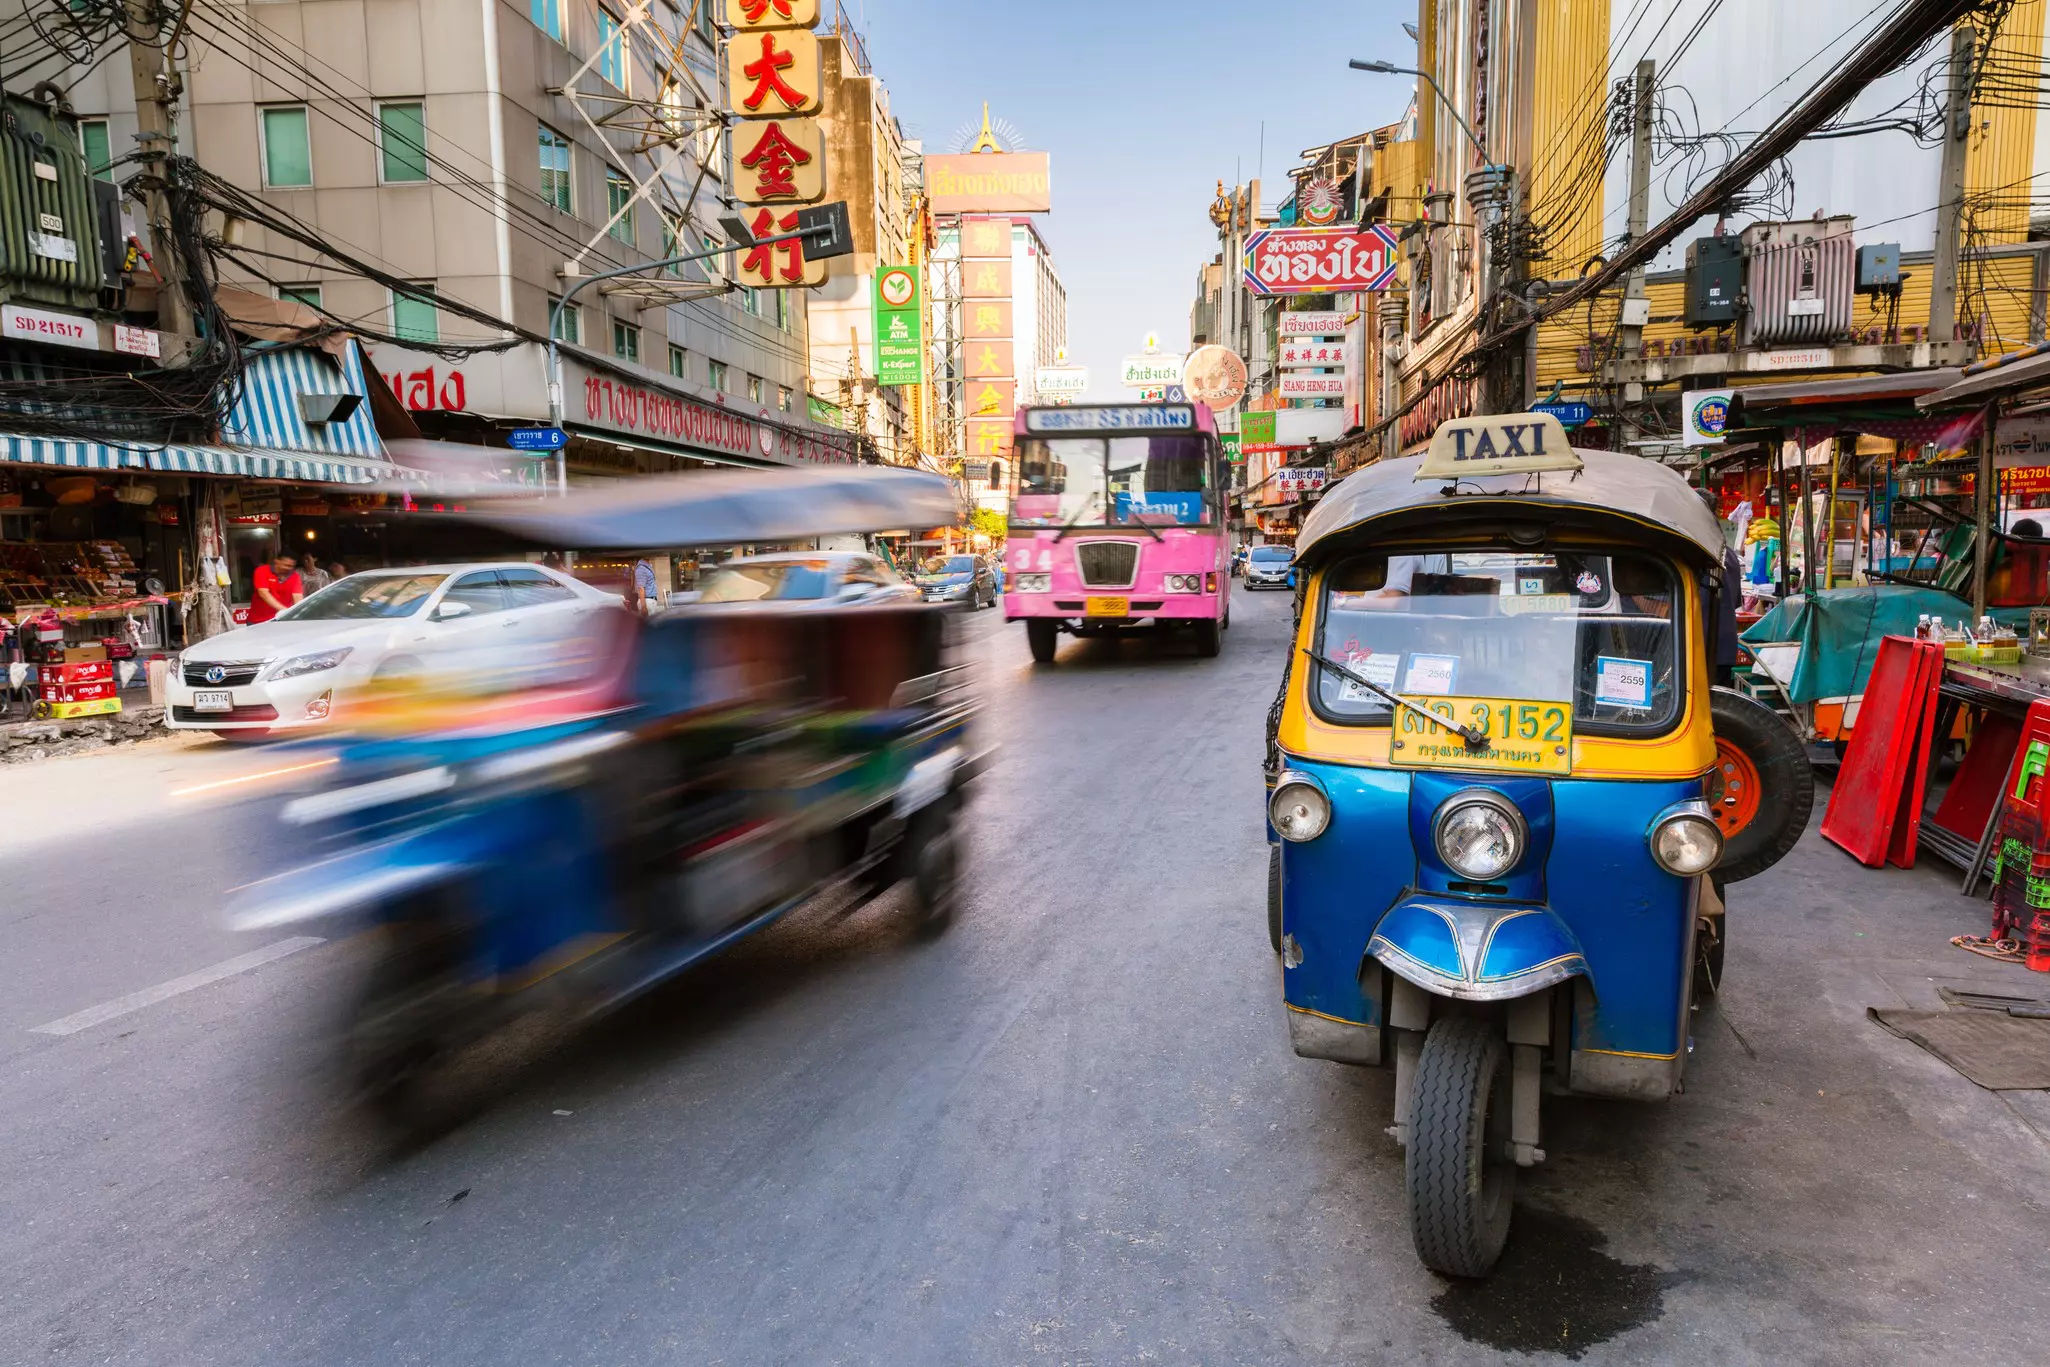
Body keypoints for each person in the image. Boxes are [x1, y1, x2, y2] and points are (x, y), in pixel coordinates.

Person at [249, 553, 303, 624]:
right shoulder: (262, 570)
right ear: (277, 561)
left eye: (291, 566)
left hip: (282, 621)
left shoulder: (295, 576)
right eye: (286, 565)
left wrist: (298, 613)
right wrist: (285, 611)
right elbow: (263, 593)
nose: (288, 568)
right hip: (258, 621)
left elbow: (297, 597)